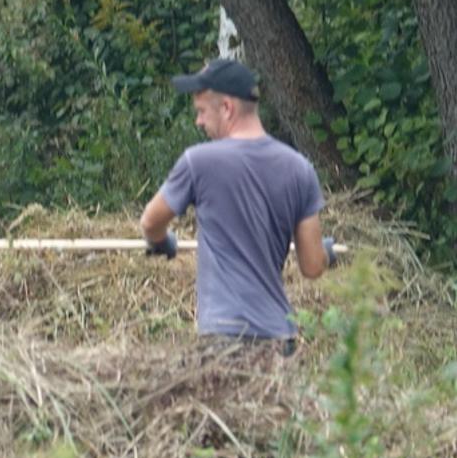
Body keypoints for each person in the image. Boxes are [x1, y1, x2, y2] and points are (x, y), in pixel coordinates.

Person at [139, 58, 331, 355]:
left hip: (224, 339)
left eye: (202, 112)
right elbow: (312, 267)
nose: (198, 122)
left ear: (226, 108)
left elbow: (151, 222)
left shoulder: (199, 162)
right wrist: (324, 253)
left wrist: (162, 242)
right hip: (278, 339)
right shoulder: (299, 169)